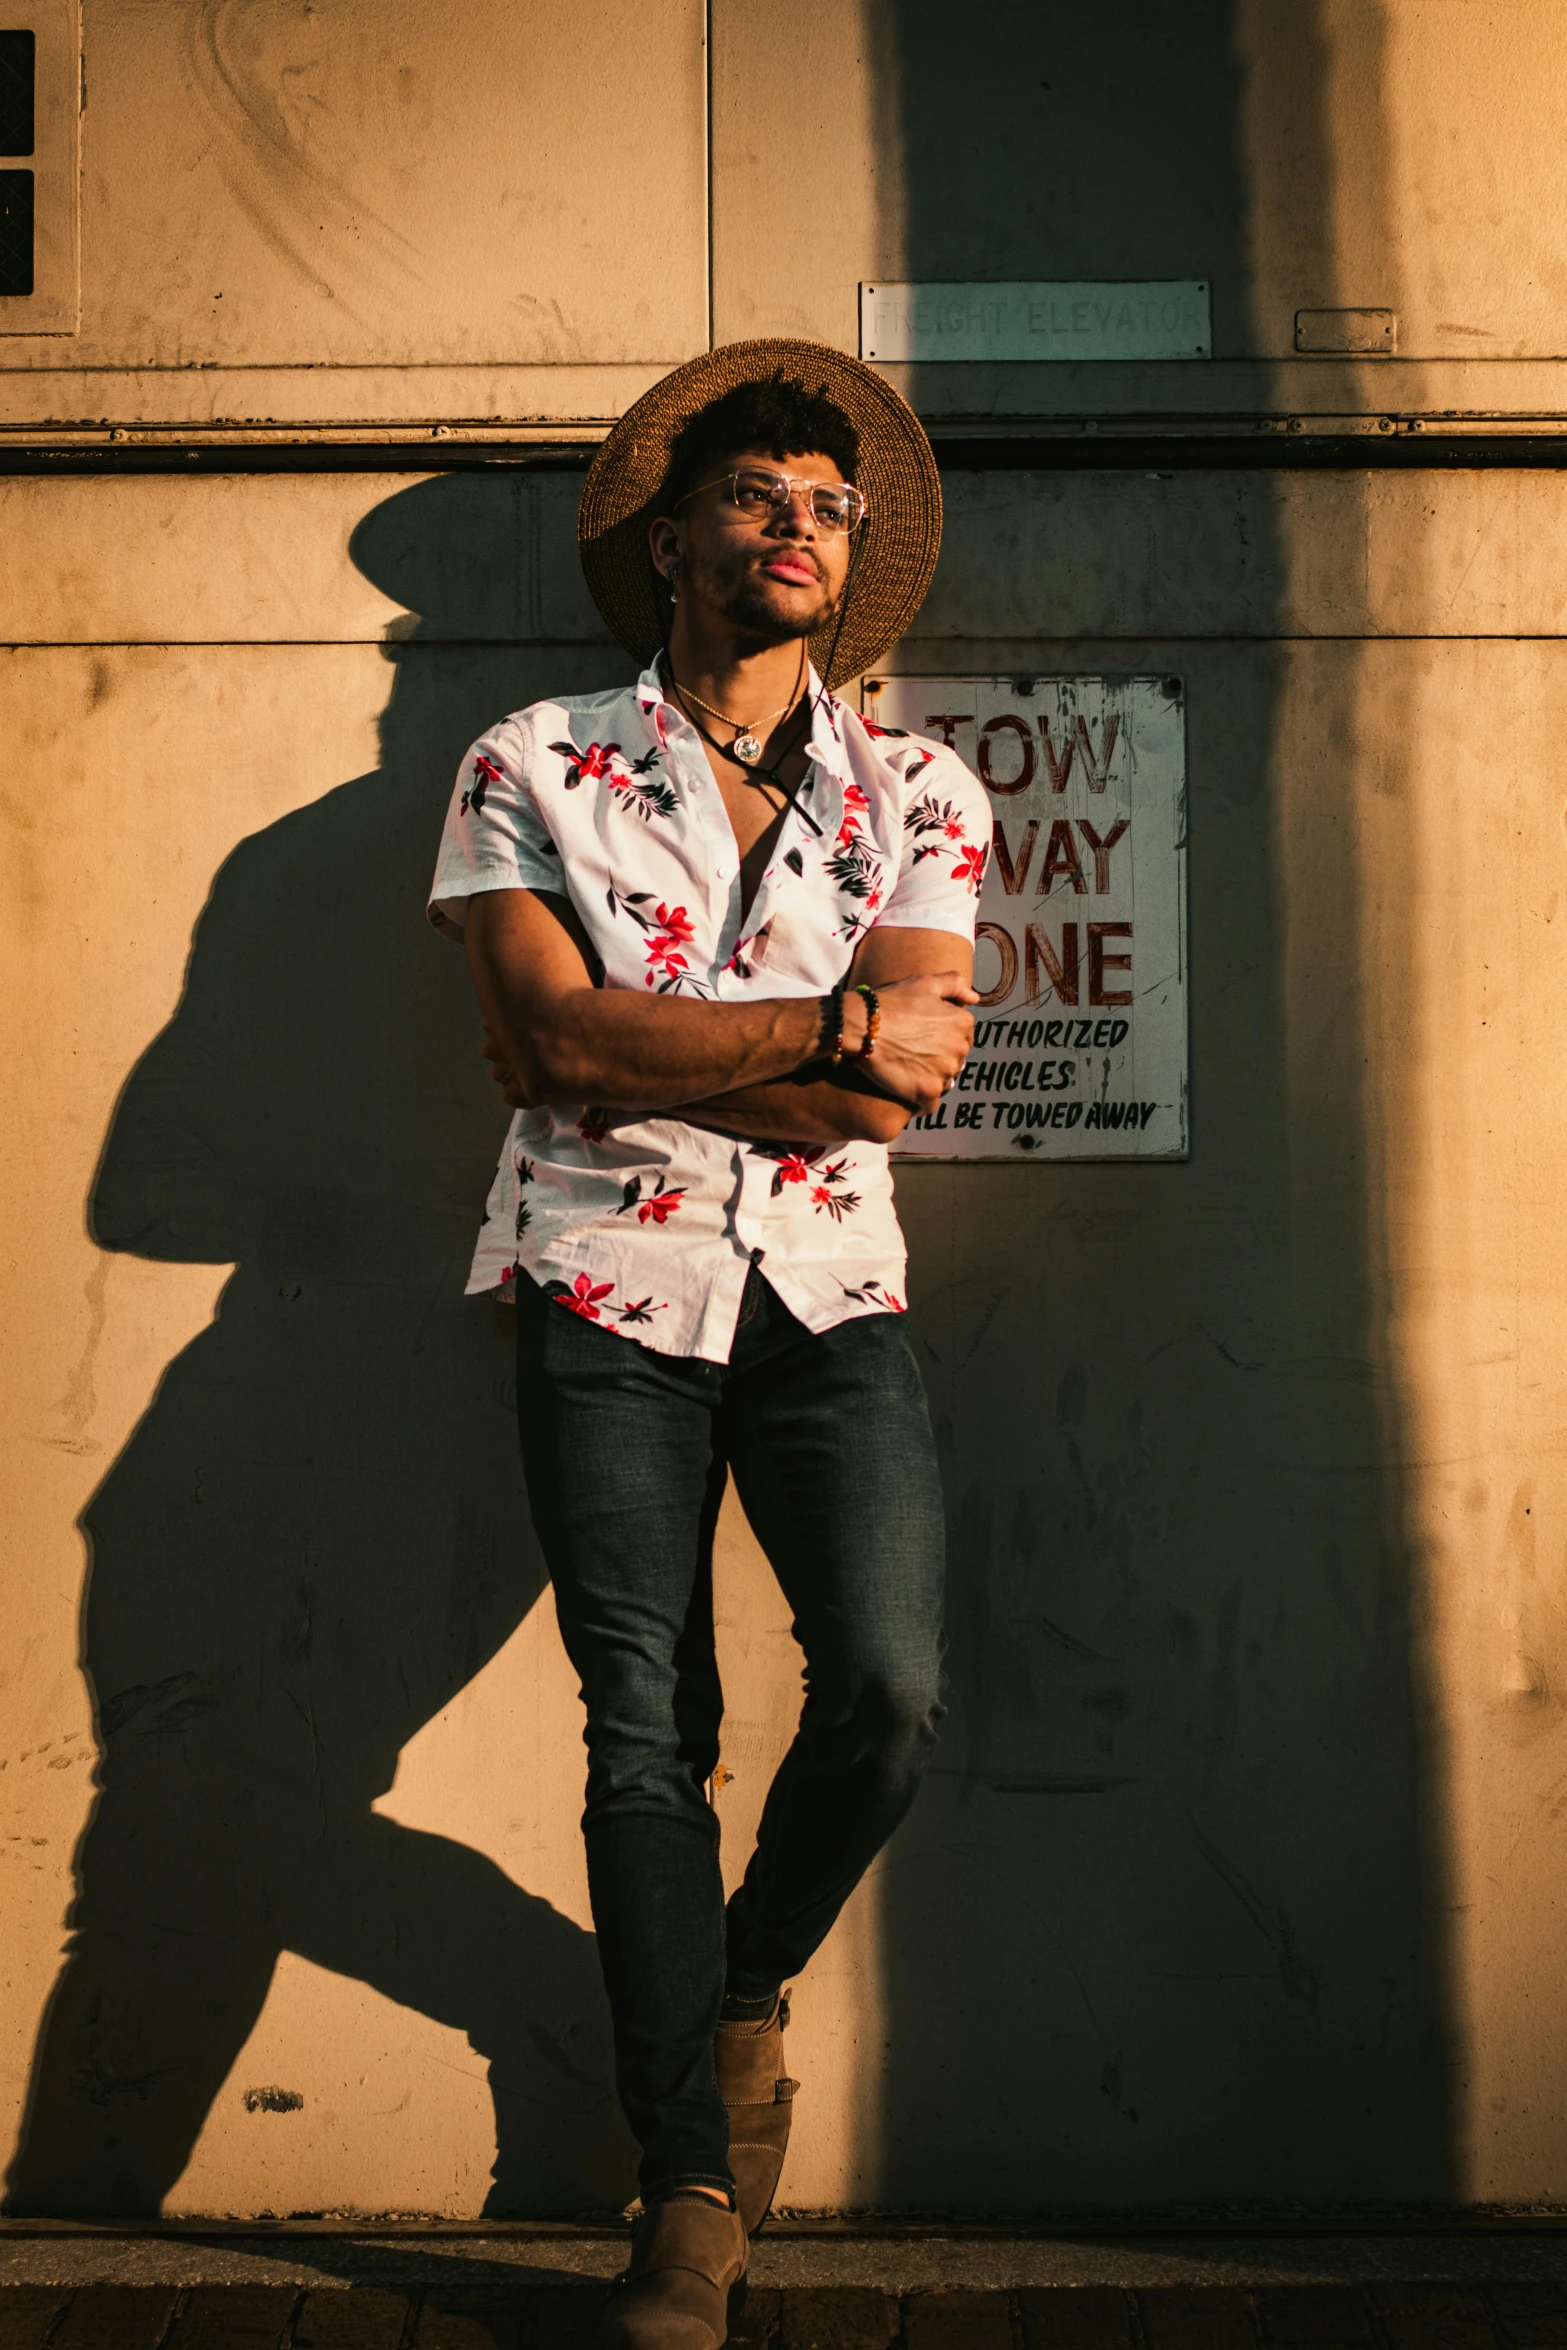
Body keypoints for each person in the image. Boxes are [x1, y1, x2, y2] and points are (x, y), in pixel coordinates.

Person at [427, 339, 988, 2350]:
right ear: (672, 541)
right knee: (644, 1733)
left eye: (829, 507)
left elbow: (885, 1095)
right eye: (758, 498)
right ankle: (684, 2188)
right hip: (598, 1289)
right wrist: (825, 1027)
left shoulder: (919, 784)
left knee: (894, 1686)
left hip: (829, 1293)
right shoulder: (527, 761)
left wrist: (760, 1057)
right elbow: (541, 1045)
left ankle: (741, 1980)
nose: (798, 528)